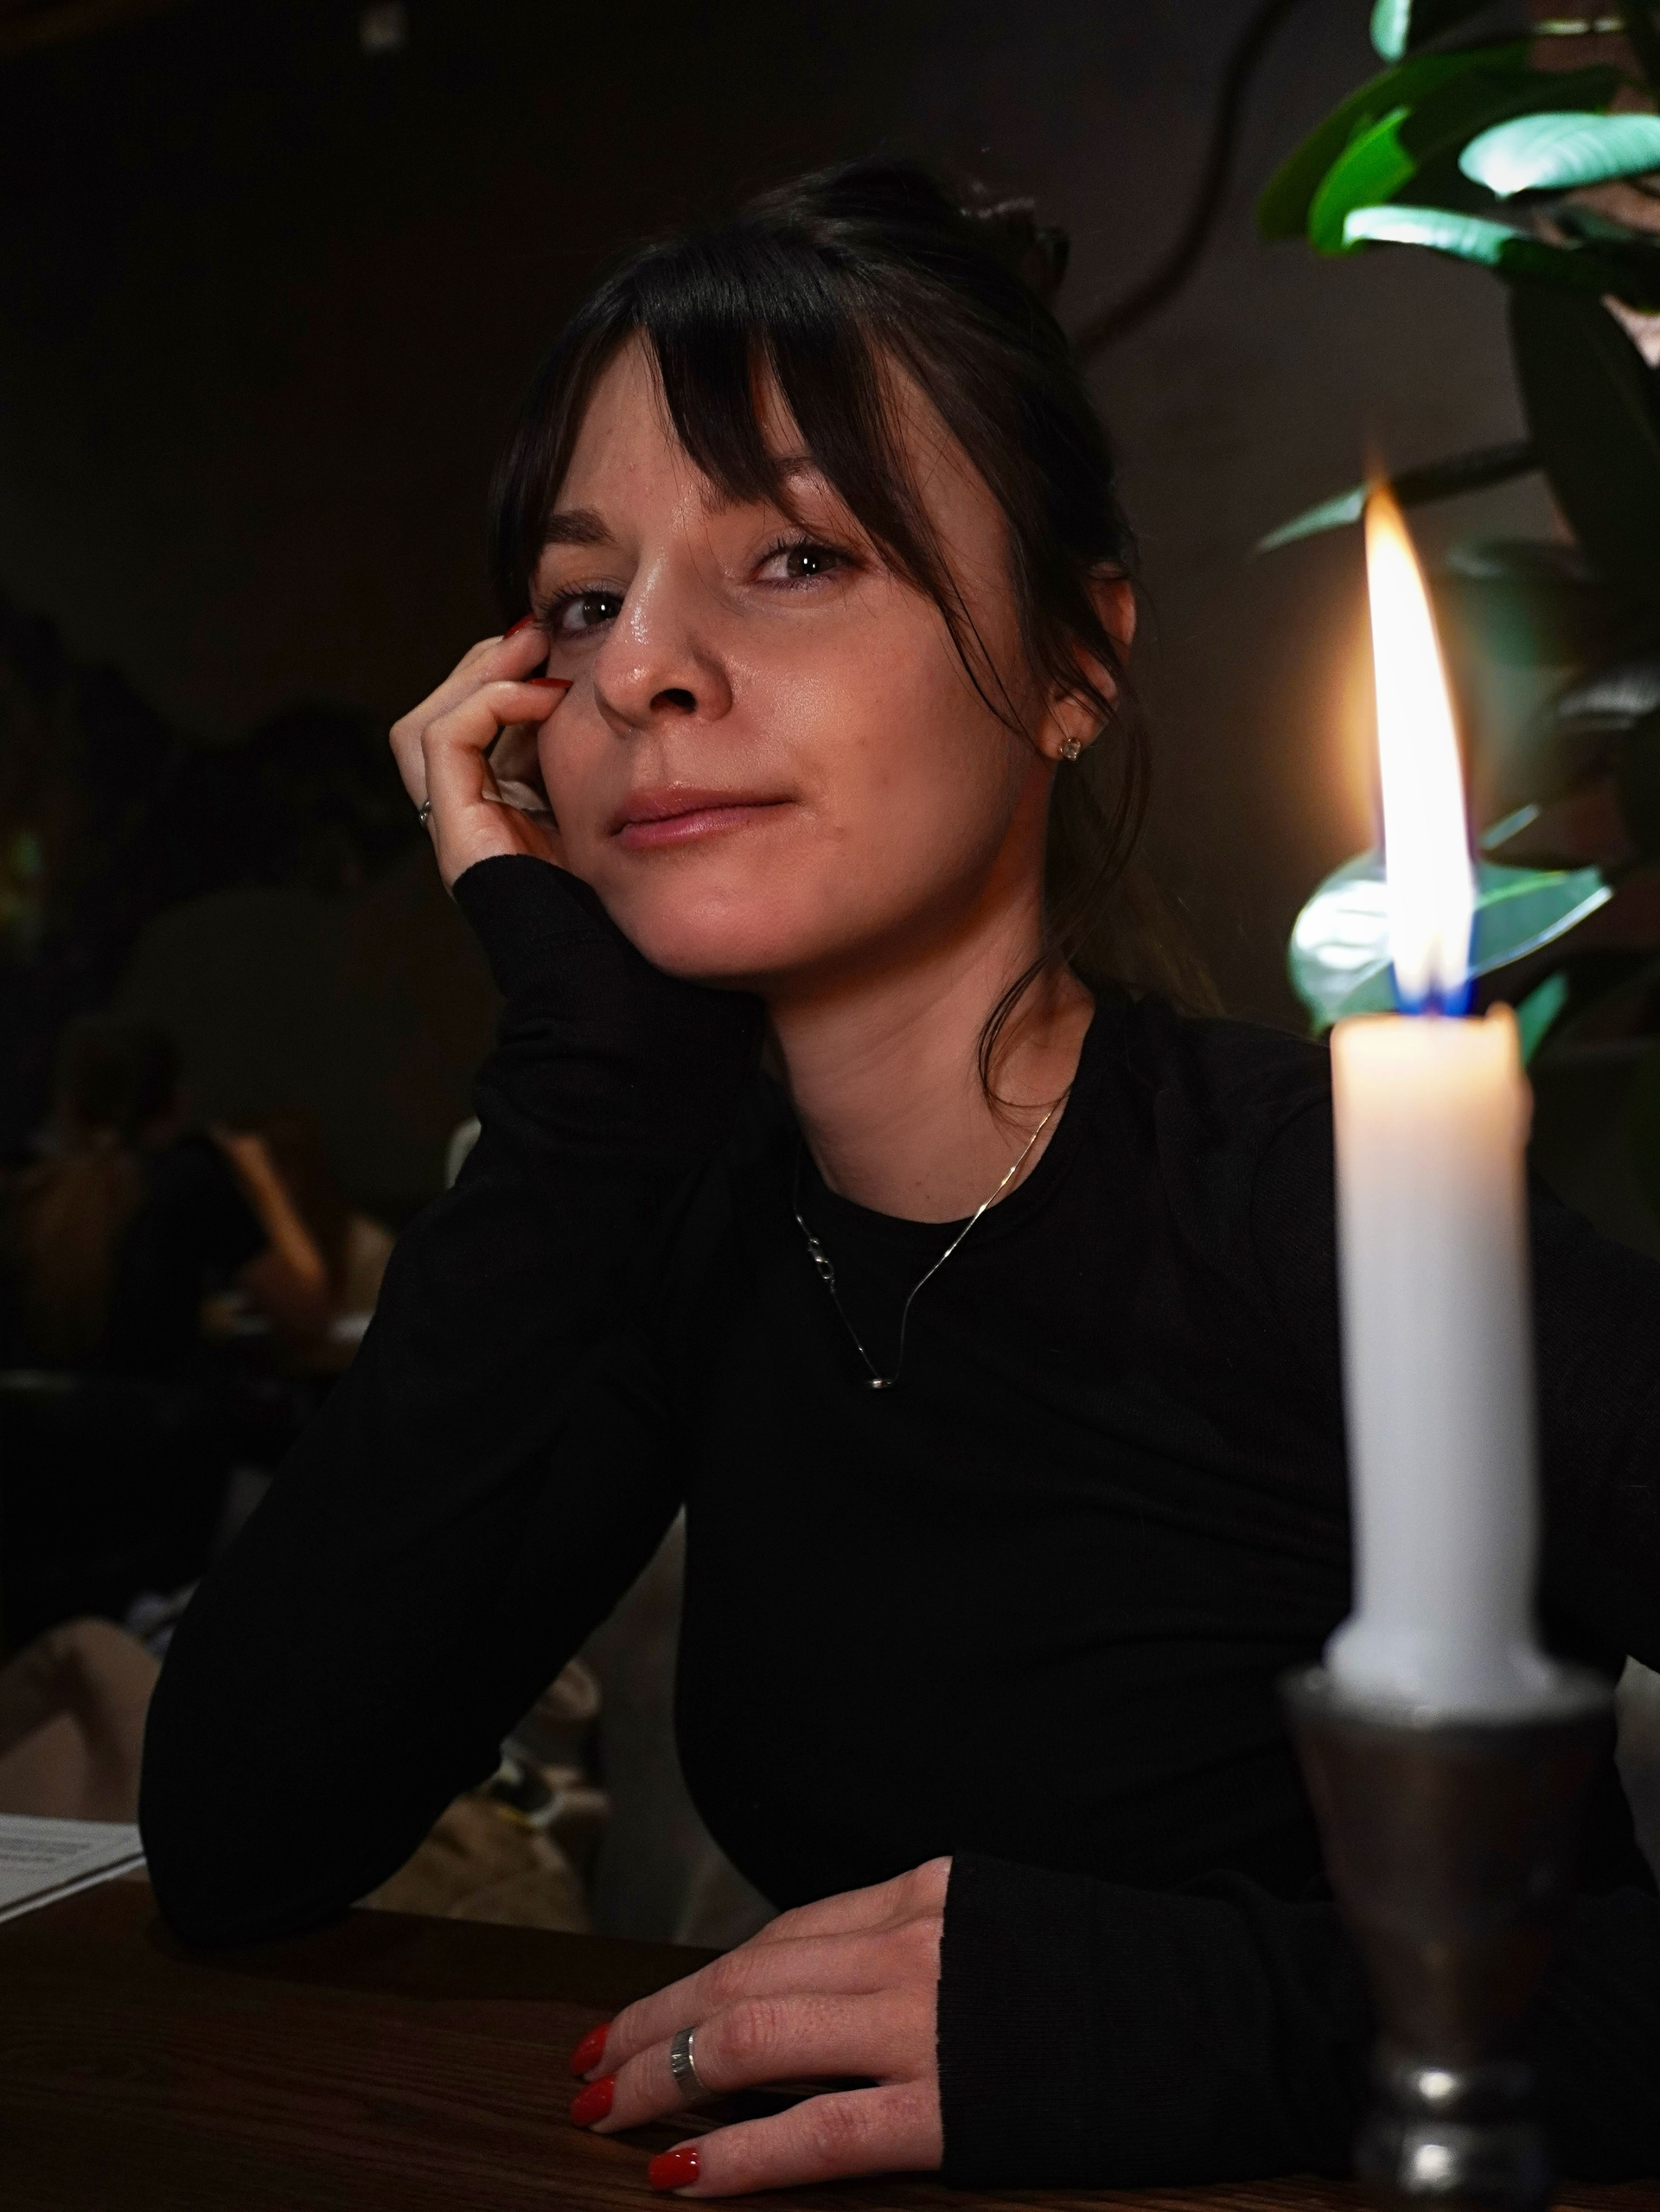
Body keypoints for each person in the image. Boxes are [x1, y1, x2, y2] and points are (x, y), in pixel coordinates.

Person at [139, 162, 1660, 2197]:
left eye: (794, 556)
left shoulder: (1334, 1199)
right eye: (583, 601)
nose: (640, 670)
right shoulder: (681, 1216)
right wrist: (585, 1088)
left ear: (1073, 659)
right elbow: (241, 1839)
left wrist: (1176, 2017)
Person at [1, 1017, 331, 1373]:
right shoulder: (185, 1178)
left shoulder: (21, 1184)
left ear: (66, 1105)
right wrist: (262, 1180)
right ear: (178, 1102)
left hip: (29, 1407)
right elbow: (307, 1317)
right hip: (153, 1405)